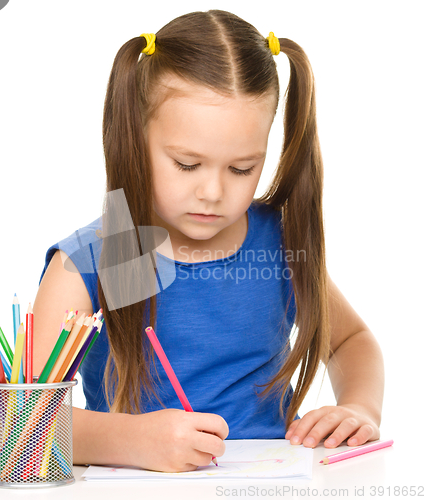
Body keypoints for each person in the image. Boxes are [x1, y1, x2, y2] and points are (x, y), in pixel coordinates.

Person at [32, 9, 384, 473]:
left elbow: (351, 340)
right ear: (137, 138)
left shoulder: (276, 244)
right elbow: (24, 424)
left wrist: (359, 408)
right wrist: (132, 441)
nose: (214, 192)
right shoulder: (96, 261)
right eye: (186, 163)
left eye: (242, 168)